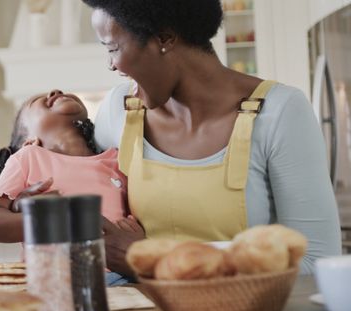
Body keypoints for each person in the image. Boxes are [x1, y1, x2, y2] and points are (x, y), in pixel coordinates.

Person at [82, 0, 342, 277]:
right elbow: (87, 197)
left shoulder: (280, 111)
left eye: (112, 48)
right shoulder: (118, 109)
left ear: (164, 38)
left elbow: (317, 261)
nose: (111, 65)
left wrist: (155, 261)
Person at [0, 89, 138, 283]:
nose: (57, 91)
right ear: (28, 141)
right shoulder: (27, 158)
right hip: (53, 279)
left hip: (116, 277)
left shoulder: (116, 159)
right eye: (38, 100)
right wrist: (51, 218)